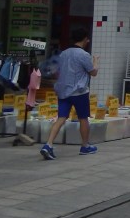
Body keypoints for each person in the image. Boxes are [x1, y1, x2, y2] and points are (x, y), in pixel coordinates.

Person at [41, 27, 100, 160]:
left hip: (63, 91)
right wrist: (95, 60)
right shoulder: (84, 55)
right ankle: (85, 146)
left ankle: (48, 144)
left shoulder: (64, 53)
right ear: (85, 39)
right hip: (79, 92)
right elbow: (93, 72)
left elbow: (57, 71)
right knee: (83, 118)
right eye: (87, 39)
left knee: (61, 118)